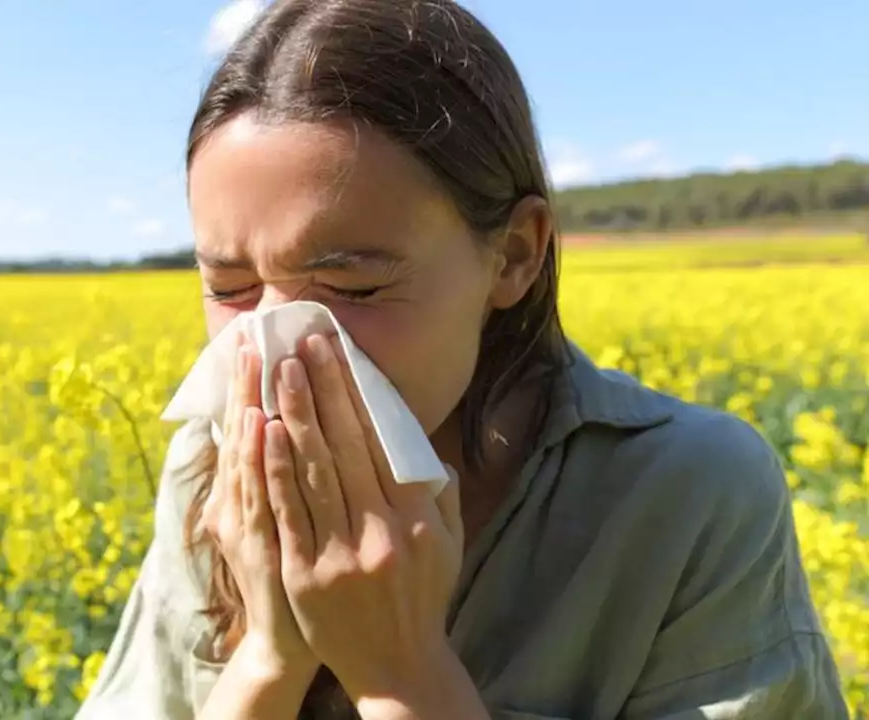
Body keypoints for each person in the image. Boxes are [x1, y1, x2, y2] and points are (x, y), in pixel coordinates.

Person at [74, 1, 851, 718]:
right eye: (231, 287)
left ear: (513, 254)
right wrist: (269, 660)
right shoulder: (208, 472)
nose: (284, 352)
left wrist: (402, 671)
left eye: (353, 284)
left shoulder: (686, 494)